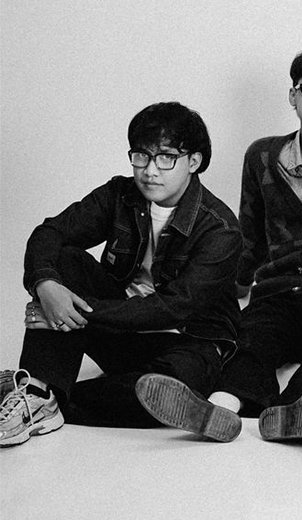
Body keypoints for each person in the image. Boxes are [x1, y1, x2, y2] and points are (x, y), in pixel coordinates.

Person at [135, 49, 302, 443]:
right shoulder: (261, 155)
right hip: (277, 290)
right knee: (251, 343)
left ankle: (295, 412)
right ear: (293, 96)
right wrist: (230, 290)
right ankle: (218, 409)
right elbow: (249, 235)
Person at [0, 102, 241, 447]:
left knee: (167, 388)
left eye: (166, 158)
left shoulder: (220, 229)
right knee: (65, 259)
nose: (150, 171)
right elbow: (50, 232)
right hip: (121, 333)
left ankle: (40, 393)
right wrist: (46, 285)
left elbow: (173, 307)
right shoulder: (119, 195)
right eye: (141, 156)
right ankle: (38, 392)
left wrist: (72, 311)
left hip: (189, 342)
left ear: (194, 161)